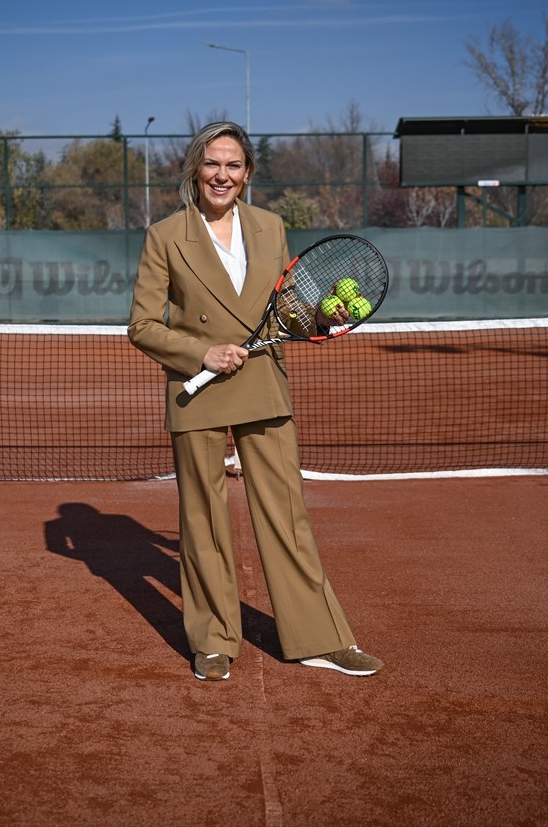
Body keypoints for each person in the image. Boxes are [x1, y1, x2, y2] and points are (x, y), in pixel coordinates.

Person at [128, 121, 384, 682]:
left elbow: (289, 309)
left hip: (264, 383)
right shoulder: (165, 235)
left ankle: (320, 637)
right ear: (196, 169)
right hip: (197, 391)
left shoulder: (270, 227)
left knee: (287, 517)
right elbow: (142, 326)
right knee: (202, 522)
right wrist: (203, 354)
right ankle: (213, 640)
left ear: (247, 175)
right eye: (213, 164)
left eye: (234, 166)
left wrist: (322, 317)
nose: (223, 175)